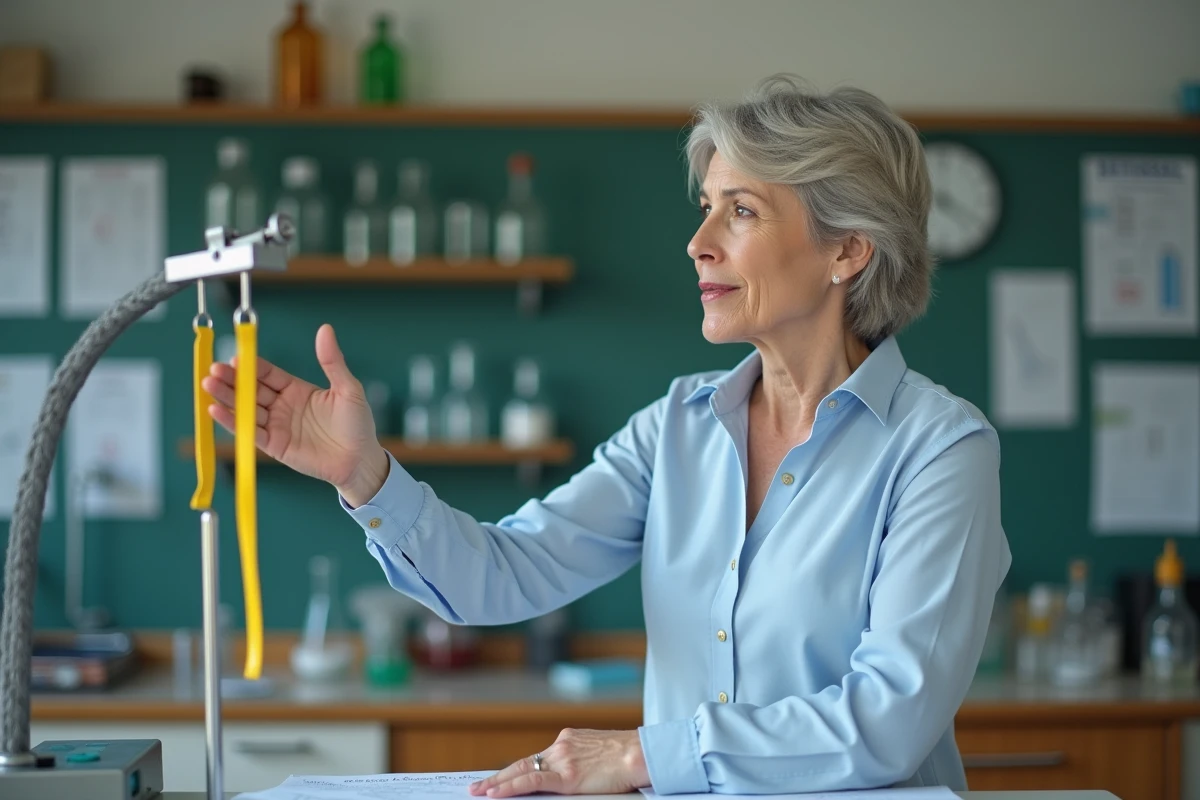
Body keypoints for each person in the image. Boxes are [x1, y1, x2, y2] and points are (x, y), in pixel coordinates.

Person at [203, 75, 1010, 796]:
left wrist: (641, 757)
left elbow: (888, 719)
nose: (699, 244)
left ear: (848, 249)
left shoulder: (939, 451)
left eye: (742, 211)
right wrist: (366, 476)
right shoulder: (678, 427)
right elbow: (505, 574)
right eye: (706, 209)